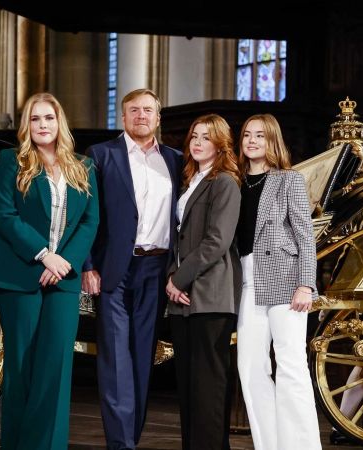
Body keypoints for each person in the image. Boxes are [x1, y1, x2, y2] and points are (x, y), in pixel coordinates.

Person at [0, 92, 99, 450]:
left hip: (63, 280)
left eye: (49, 118)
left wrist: (63, 262)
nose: (43, 125)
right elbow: (5, 215)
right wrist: (43, 255)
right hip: (20, 276)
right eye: (35, 119)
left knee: (56, 370)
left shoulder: (83, 166)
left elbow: (89, 221)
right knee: (22, 370)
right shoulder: (11, 161)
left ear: (59, 122)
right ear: (27, 125)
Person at [82, 88, 182, 450]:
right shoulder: (100, 155)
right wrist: (88, 265)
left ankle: (130, 439)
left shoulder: (175, 160)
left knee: (143, 359)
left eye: (148, 110)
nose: (141, 116)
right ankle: (121, 444)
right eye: (133, 110)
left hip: (157, 269)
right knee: (115, 360)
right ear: (122, 117)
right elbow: (87, 216)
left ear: (158, 118)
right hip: (113, 269)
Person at [235, 113, 321, 450]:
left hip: (286, 281)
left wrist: (306, 284)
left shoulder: (289, 180)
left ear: (273, 141)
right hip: (245, 280)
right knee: (250, 367)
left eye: (260, 135)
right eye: (247, 135)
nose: (252, 140)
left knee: (291, 366)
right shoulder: (233, 180)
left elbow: (305, 235)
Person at [165, 114, 242, 450]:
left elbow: (217, 241)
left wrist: (178, 280)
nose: (197, 143)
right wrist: (172, 278)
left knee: (209, 385)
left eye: (206, 138)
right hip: (183, 296)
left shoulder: (224, 182)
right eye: (194, 136)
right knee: (189, 385)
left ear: (221, 144)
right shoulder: (189, 181)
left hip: (211, 293)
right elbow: (177, 238)